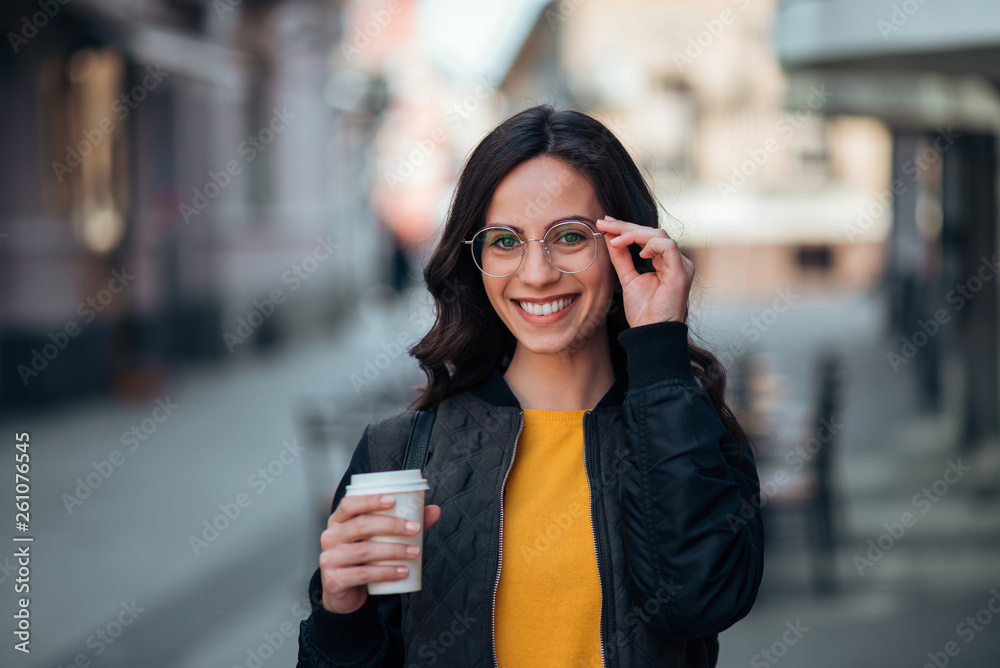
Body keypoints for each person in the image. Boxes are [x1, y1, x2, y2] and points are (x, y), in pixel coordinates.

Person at [297, 105, 764, 668]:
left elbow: (698, 603)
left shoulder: (689, 433)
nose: (537, 273)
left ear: (630, 246)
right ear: (475, 259)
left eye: (569, 236)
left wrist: (660, 347)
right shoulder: (399, 454)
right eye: (505, 241)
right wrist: (339, 614)